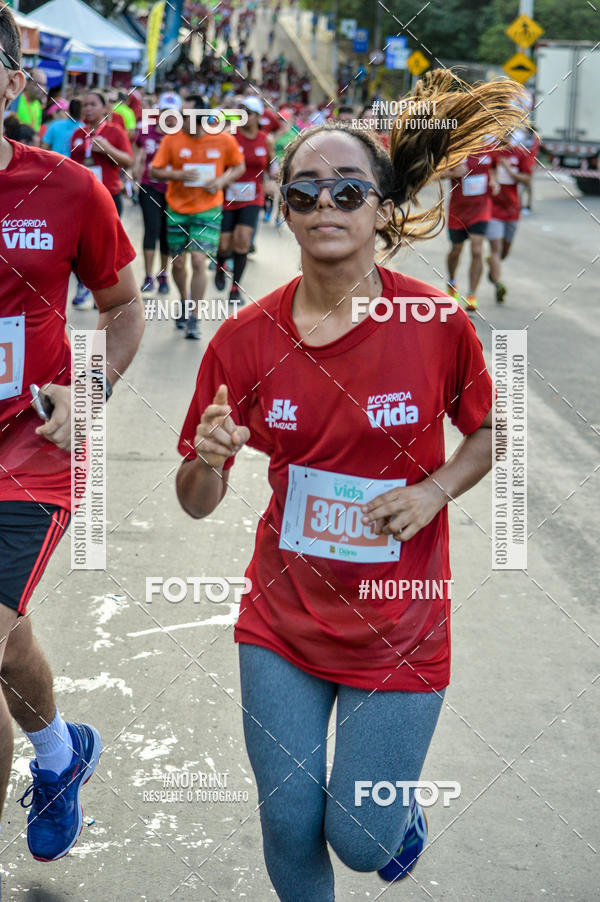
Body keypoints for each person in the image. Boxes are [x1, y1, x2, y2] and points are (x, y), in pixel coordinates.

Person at [175, 69, 525, 900]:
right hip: (283, 622)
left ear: (380, 208)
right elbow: (195, 498)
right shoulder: (244, 340)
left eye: (345, 190)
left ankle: (396, 822)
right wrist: (209, 458)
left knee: (362, 843)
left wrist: (435, 491)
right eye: (303, 194)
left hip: (399, 623)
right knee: (289, 825)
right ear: (283, 211)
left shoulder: (435, 321)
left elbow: (490, 431)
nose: (324, 206)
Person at [0, 5, 144, 884]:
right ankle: (58, 753)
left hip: (27, 452)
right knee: (6, 644)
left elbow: (124, 304)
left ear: (12, 81)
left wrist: (88, 389)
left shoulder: (66, 188)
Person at [149, 94, 245, 339]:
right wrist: (179, 175)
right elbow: (154, 171)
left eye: (186, 116)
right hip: (177, 209)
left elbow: (239, 166)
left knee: (199, 261)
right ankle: (183, 300)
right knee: (178, 263)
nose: (181, 120)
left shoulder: (222, 139)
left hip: (208, 208)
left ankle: (194, 316)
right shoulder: (172, 139)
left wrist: (221, 181)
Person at [70, 91, 134, 305]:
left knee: (107, 247)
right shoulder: (78, 133)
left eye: (93, 104)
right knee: (78, 245)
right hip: (82, 199)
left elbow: (128, 161)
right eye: (85, 104)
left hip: (109, 196)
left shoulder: (115, 132)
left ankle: (106, 290)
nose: (88, 108)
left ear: (105, 108)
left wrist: (108, 149)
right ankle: (82, 284)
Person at [215, 96, 273, 303]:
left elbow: (269, 168)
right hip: (228, 195)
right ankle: (220, 265)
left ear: (258, 116)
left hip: (252, 196)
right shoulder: (230, 135)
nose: (244, 116)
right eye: (241, 112)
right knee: (224, 243)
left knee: (243, 240)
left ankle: (235, 288)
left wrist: (270, 190)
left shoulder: (266, 140)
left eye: (248, 112)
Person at [134, 92, 179, 295]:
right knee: (151, 229)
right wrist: (133, 179)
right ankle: (147, 275)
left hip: (173, 190)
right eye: (165, 111)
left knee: (166, 233)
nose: (169, 116)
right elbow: (139, 156)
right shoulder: (146, 131)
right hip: (149, 186)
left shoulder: (181, 136)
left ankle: (164, 274)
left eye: (173, 112)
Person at [443, 149, 497, 312]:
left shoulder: (490, 148)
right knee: (456, 250)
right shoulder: (457, 149)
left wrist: (494, 181)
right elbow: (435, 173)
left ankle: (472, 295)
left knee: (477, 249)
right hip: (458, 211)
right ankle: (452, 283)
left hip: (481, 209)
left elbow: (493, 167)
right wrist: (451, 173)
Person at [486, 128, 534, 304]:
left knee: (504, 251)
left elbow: (528, 179)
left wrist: (510, 171)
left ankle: (492, 264)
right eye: (502, 133)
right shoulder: (491, 153)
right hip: (492, 209)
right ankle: (498, 284)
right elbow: (482, 171)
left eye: (508, 133)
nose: (505, 137)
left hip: (512, 210)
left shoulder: (519, 153)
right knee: (496, 249)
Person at [15, 67, 46, 131]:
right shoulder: (15, 100)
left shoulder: (38, 105)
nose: (42, 88)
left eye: (44, 85)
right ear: (27, 83)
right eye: (38, 84)